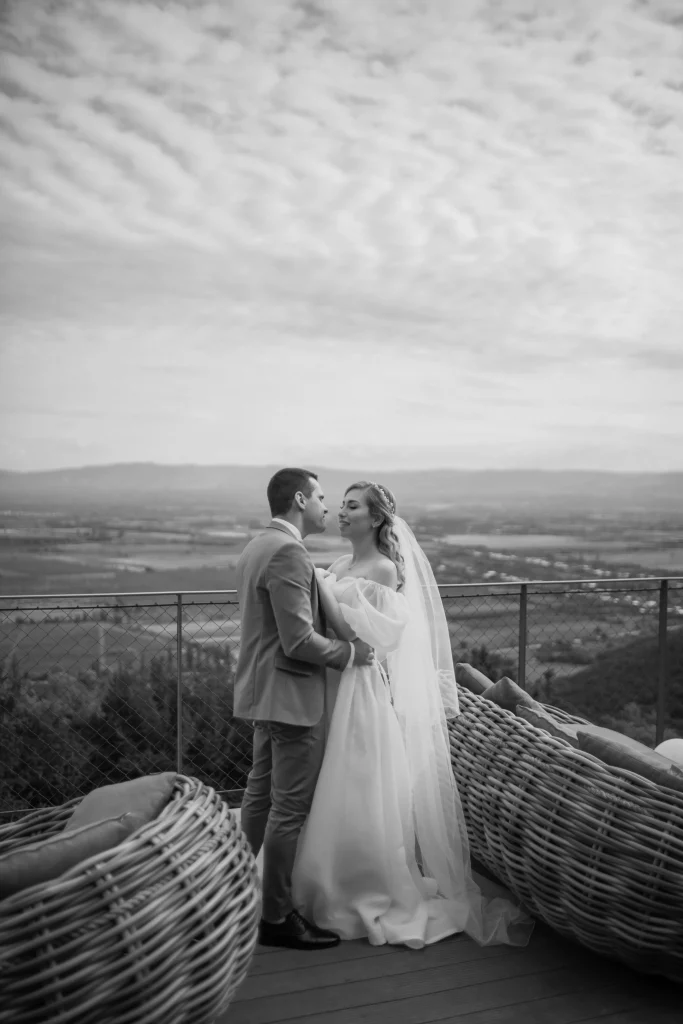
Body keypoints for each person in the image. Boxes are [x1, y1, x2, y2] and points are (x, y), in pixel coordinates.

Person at [290, 481, 535, 948]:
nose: (341, 513)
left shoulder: (382, 570)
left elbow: (368, 641)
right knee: (327, 778)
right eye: (340, 505)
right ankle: (322, 873)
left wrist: (322, 589)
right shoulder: (341, 564)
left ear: (377, 518)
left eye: (353, 506)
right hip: (330, 683)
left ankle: (355, 882)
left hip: (358, 690)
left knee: (356, 780)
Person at [234, 468, 375, 951]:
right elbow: (297, 640)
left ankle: (231, 890)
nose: (325, 505)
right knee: (289, 809)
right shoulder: (290, 551)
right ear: (299, 499)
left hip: (263, 693)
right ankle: (274, 914)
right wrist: (352, 654)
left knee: (258, 798)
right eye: (319, 496)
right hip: (293, 697)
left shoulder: (258, 545)